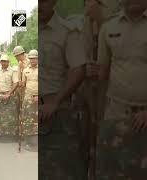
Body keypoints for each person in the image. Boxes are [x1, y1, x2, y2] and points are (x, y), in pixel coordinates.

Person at [96, 0, 147, 179]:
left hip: (145, 115)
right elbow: (102, 73)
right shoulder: (108, 27)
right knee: (112, 171)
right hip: (115, 114)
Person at [39, 0, 87, 179]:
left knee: (61, 170)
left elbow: (78, 69)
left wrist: (56, 102)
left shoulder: (66, 31)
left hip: (56, 114)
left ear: (53, 2)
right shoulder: (26, 27)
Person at [0, 54, 19, 138]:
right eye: (2, 61)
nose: (3, 63)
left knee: (10, 115)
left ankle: (10, 134)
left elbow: (16, 83)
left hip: (9, 95)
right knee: (0, 114)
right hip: (0, 95)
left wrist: (9, 94)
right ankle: (0, 133)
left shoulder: (12, 71)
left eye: (5, 61)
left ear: (8, 62)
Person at [21, 49, 38, 151]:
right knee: (28, 120)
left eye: (34, 58)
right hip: (27, 98)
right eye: (31, 59)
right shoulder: (25, 70)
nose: (33, 61)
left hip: (39, 98)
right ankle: (29, 142)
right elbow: (23, 84)